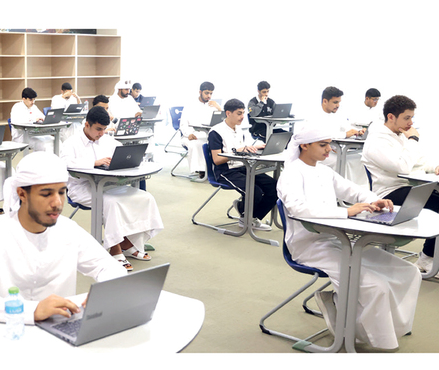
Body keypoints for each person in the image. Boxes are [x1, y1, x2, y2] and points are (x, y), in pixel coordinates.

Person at [0, 151, 127, 353]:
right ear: (22, 194)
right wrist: (33, 310)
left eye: (62, 192)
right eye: (46, 194)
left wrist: (104, 294)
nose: (57, 203)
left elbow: (109, 267)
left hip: (57, 335)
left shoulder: (68, 229)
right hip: (4, 334)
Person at [277, 124, 420, 351]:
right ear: (304, 145)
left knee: (409, 271)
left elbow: (352, 190)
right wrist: (346, 212)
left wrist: (373, 200)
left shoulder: (324, 171)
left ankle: (390, 327)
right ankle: (361, 328)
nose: (329, 149)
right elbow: (297, 209)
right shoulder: (291, 174)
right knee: (376, 286)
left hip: (339, 239)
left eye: (329, 144)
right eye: (323, 145)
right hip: (309, 246)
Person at [61, 106, 164, 269]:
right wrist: (93, 163)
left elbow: (122, 152)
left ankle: (128, 243)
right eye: (98, 129)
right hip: (83, 188)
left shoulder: (107, 139)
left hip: (108, 185)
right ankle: (115, 249)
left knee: (145, 198)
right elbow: (65, 163)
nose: (102, 133)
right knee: (113, 203)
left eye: (104, 129)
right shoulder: (71, 143)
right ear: (87, 125)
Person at [361, 95, 439, 273]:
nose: (411, 123)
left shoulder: (400, 135)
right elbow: (402, 166)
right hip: (388, 194)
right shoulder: (377, 141)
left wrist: (434, 167)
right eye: (407, 118)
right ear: (391, 117)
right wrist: (413, 140)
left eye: (412, 117)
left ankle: (431, 256)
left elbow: (419, 161)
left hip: (407, 187)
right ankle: (427, 259)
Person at [208, 98, 276, 231]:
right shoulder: (216, 132)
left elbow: (241, 148)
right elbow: (216, 159)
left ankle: (250, 216)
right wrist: (238, 151)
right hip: (225, 171)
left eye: (243, 113)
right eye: (239, 113)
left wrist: (254, 147)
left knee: (274, 187)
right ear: (228, 113)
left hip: (243, 167)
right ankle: (245, 216)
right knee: (254, 191)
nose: (243, 116)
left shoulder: (239, 129)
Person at [315, 86, 367, 186]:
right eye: (335, 102)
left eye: (339, 102)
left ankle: (358, 191)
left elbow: (347, 127)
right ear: (325, 101)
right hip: (320, 152)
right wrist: (345, 134)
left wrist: (358, 131)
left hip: (336, 150)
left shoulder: (336, 115)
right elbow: (321, 135)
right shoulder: (315, 116)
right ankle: (342, 192)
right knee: (342, 161)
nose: (338, 105)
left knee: (359, 158)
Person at [180, 81, 223, 182]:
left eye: (211, 93)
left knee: (218, 142)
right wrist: (188, 134)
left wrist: (218, 108)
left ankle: (217, 169)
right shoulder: (190, 105)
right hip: (193, 134)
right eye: (206, 93)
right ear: (200, 92)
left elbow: (223, 121)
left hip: (208, 134)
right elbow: (183, 123)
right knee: (198, 144)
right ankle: (202, 170)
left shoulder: (213, 105)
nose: (209, 96)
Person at [10, 87, 53, 152]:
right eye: (30, 100)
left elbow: (43, 117)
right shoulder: (17, 107)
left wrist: (44, 120)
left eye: (34, 100)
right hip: (22, 137)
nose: (33, 102)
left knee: (52, 140)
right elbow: (18, 123)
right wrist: (34, 119)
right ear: (24, 99)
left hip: (34, 134)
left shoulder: (34, 107)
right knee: (41, 144)